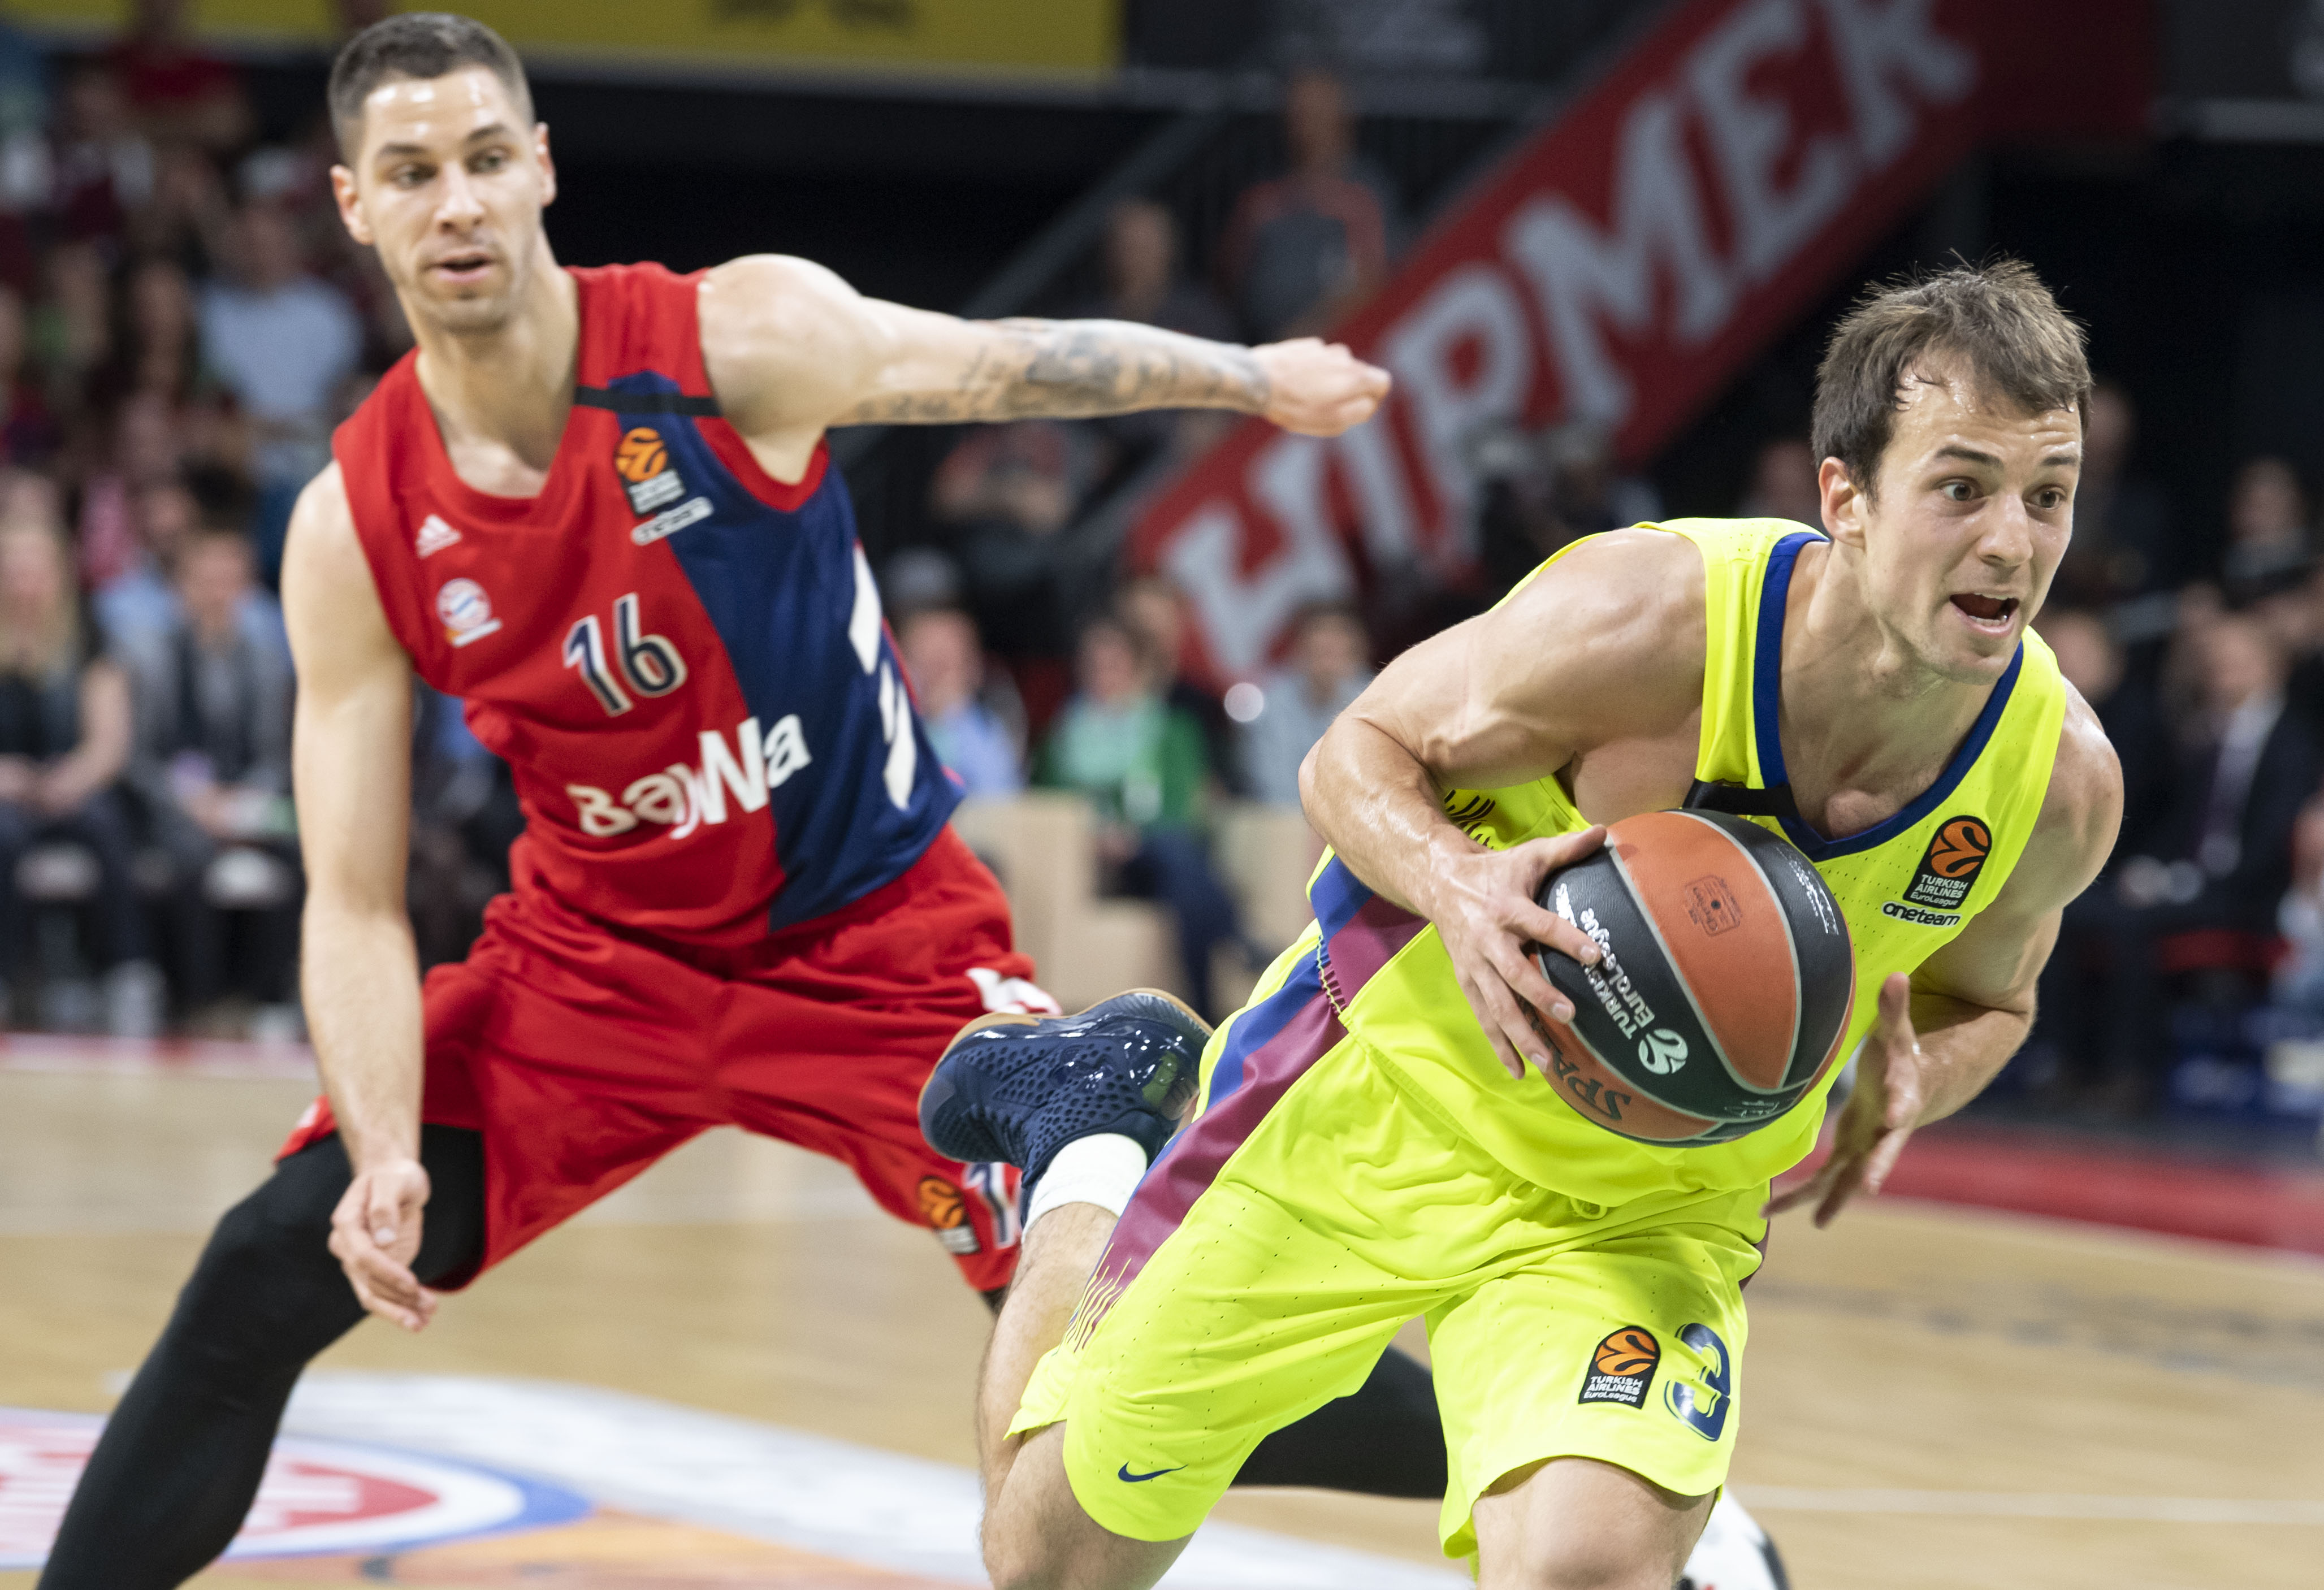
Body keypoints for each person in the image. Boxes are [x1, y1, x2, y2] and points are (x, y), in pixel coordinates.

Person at [33, 16, 1409, 1588]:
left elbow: (1002, 361)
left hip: (875, 948)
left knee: (1134, 1325)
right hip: (594, 970)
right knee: (266, 1264)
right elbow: (348, 895)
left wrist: (1247, 374)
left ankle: (1598, 1469)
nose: (458, 203)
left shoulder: (729, 341)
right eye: (410, 173)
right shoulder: (354, 518)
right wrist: (386, 1134)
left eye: (485, 159)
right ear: (354, 204)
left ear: (539, 166)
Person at [923, 259, 2121, 1586]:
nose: (2012, 541)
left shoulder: (2056, 781)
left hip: (1651, 1196)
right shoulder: (1650, 614)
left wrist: (1913, 1072)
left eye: (2047, 494)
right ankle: (1088, 1129)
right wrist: (1454, 877)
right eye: (1961, 487)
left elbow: (1989, 997)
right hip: (1378, 1098)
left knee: (1585, 1563)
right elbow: (1354, 748)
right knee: (1046, 1560)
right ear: (1844, 496)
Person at [124, 526, 298, 1024]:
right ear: (182, 585)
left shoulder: (266, 661)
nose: (217, 592)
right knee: (188, 857)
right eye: (206, 579)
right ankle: (200, 997)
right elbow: (140, 758)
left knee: (305, 843)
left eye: (229, 580)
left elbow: (275, 753)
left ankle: (270, 994)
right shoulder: (151, 657)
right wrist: (195, 802)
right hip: (177, 806)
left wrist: (246, 799)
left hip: (250, 802)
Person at [1036, 615, 1245, 1017]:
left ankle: (1201, 1006)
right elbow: (1051, 805)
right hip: (1098, 865)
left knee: (1175, 863)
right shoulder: (1061, 738)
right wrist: (1096, 834)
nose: (1104, 677)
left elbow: (1183, 809)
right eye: (1094, 666)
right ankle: (1234, 938)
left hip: (1160, 859)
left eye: (1115, 665)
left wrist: (1135, 835)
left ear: (1137, 669)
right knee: (1180, 866)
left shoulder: (1173, 730)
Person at [0, 517, 161, 1036]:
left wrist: (74, 778)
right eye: (15, 568)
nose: (26, 580)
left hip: (74, 785)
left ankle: (125, 973)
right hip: (6, 790)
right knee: (4, 836)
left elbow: (109, 741)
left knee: (108, 826)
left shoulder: (90, 636)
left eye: (36, 567)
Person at [198, 195, 363, 583]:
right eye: (249, 241)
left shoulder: (328, 313)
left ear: (290, 242)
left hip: (313, 458)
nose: (260, 252)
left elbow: (345, 401)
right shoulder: (213, 312)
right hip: (236, 469)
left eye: (268, 240)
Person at [1219, 67, 1399, 342]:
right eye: (1297, 108)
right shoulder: (1261, 198)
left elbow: (1372, 284)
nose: (1303, 118)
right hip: (1259, 350)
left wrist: (1297, 340)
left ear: (1342, 116)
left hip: (1339, 351)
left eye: (1315, 108)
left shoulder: (1364, 195)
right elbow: (1227, 279)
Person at [1237, 599, 1371, 807]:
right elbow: (1275, 791)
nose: (1328, 645)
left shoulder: (1379, 701)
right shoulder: (1271, 702)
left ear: (1358, 651)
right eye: (1319, 639)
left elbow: (1375, 789)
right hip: (1288, 827)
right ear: (1299, 649)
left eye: (1338, 639)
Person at [900, 604, 1022, 798]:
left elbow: (998, 798)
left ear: (974, 672)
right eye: (925, 666)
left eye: (946, 667)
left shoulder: (986, 734)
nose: (936, 682)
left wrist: (948, 721)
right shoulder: (886, 729)